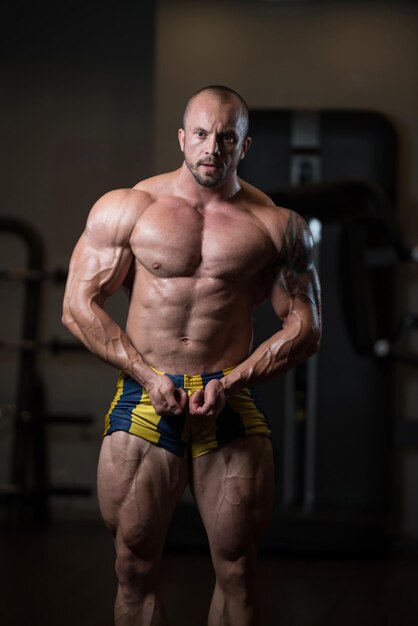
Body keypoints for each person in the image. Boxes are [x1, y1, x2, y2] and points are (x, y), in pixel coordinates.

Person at [62, 85, 321, 626]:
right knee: (133, 566)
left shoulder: (276, 227)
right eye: (201, 134)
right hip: (144, 396)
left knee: (238, 568)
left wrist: (236, 381)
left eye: (227, 137)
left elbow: (305, 327)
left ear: (244, 146)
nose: (212, 148)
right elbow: (76, 306)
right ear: (182, 138)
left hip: (228, 396)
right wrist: (143, 373)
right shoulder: (128, 209)